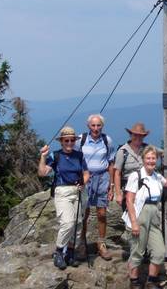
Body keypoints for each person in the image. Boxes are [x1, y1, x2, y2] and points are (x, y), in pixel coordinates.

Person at [123, 145, 167, 289]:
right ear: (143, 159)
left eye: (153, 158)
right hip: (140, 213)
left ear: (156, 160)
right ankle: (133, 282)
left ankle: (151, 281)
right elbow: (129, 200)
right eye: (148, 158)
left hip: (154, 214)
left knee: (159, 251)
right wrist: (134, 223)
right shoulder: (136, 176)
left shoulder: (157, 176)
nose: (151, 161)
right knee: (137, 250)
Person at [37, 126, 89, 269]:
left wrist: (83, 182)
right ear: (61, 141)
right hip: (62, 191)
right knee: (67, 223)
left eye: (72, 140)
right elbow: (42, 173)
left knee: (78, 224)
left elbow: (86, 173)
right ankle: (59, 252)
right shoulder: (56, 155)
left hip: (78, 191)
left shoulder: (79, 155)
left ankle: (70, 253)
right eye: (66, 140)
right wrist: (43, 156)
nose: (69, 143)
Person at [78, 114, 116, 260]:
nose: (95, 128)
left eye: (98, 125)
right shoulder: (81, 140)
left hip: (102, 178)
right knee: (84, 214)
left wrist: (111, 186)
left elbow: (111, 164)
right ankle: (82, 243)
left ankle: (101, 243)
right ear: (88, 126)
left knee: (102, 213)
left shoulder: (107, 140)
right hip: (86, 178)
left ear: (102, 126)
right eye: (93, 125)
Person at [113, 122, 150, 210]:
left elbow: (163, 153)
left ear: (144, 136)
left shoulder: (148, 149)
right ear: (130, 135)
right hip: (128, 189)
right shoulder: (123, 151)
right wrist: (118, 194)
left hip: (145, 189)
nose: (137, 137)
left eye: (140, 135)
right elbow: (117, 173)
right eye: (135, 135)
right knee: (130, 218)